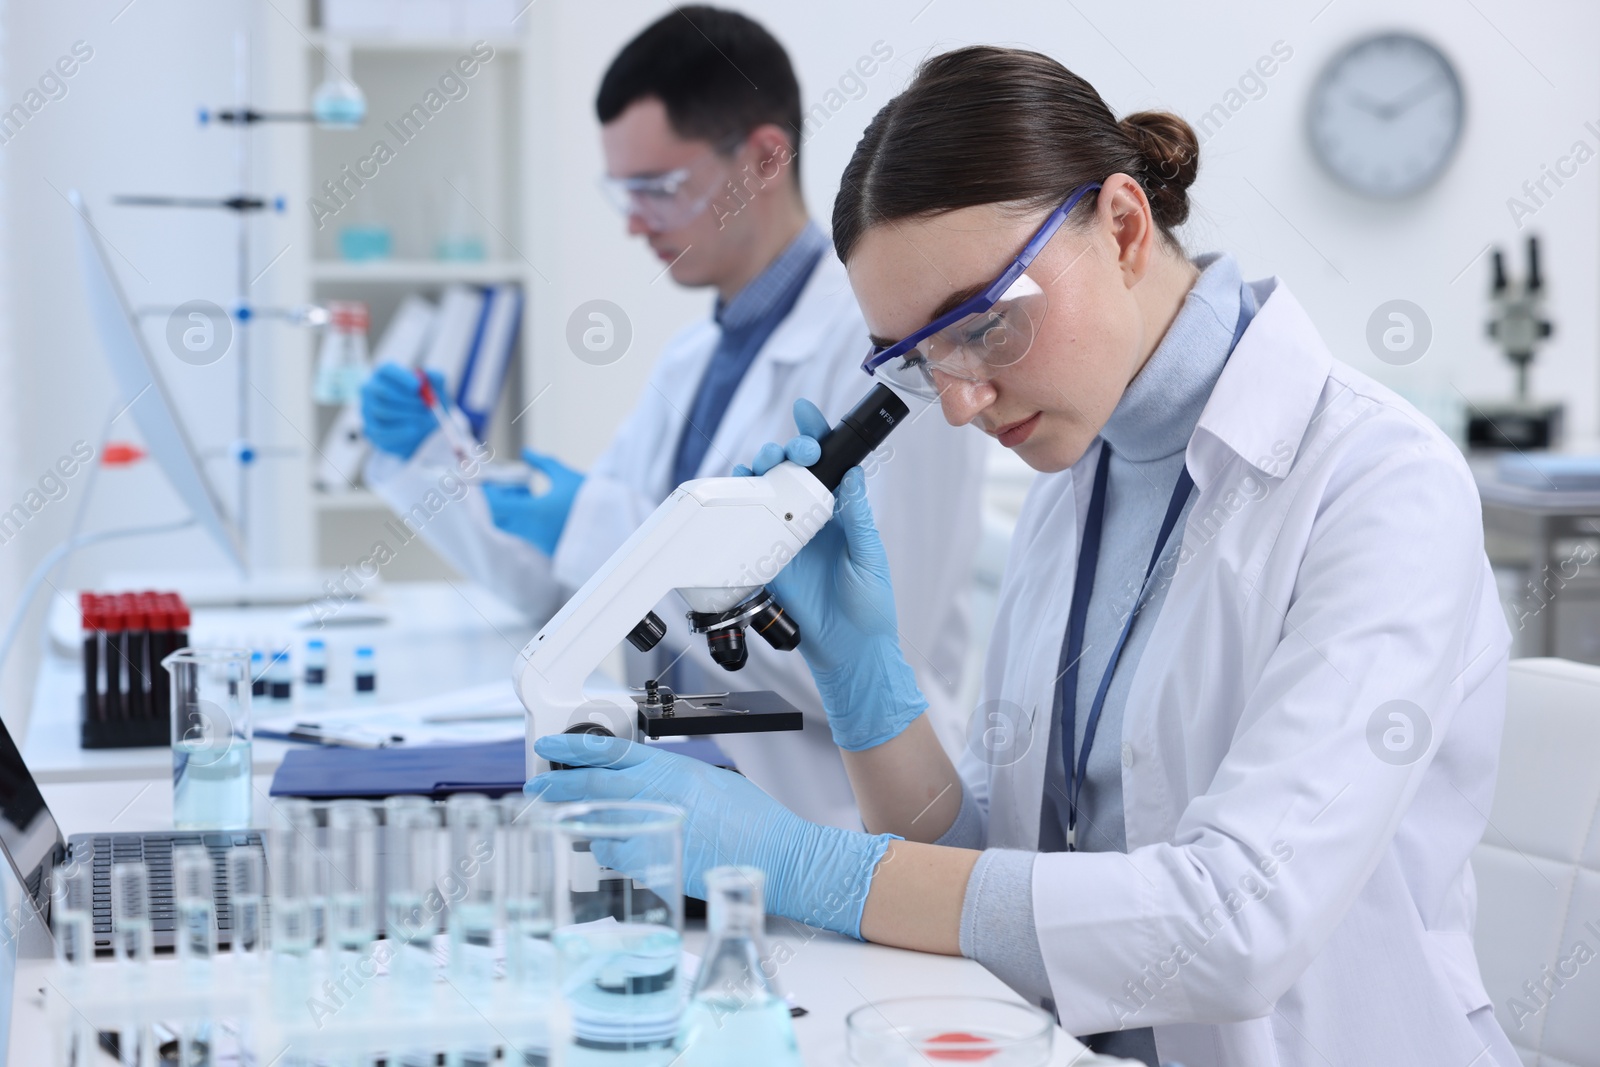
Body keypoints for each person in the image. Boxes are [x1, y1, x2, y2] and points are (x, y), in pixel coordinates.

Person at [529, 45, 1518, 1067]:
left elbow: (1234, 921)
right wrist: (872, 688)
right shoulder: (1074, 476)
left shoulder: (1375, 481)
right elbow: (1000, 879)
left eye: (984, 325)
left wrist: (797, 860)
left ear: (1124, 227)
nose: (957, 401)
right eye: (918, 356)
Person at [360, 7, 985, 830]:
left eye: (658, 188)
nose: (633, 220)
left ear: (764, 159)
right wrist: (434, 468)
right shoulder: (693, 359)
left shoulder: (891, 356)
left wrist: (606, 532)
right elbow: (564, 596)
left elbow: (874, 659)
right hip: (688, 809)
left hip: (828, 816)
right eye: (622, 191)